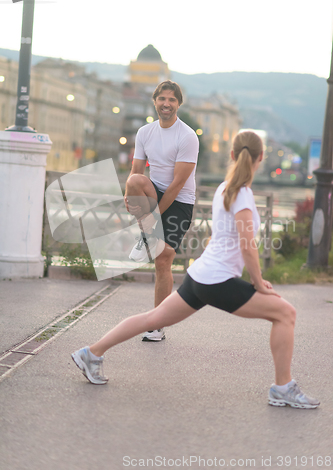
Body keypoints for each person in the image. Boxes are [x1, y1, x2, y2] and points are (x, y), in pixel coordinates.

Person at [71, 130, 320, 409]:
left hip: (200, 276)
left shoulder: (224, 189)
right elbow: (248, 245)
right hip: (217, 281)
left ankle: (91, 353)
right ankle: (283, 388)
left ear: (232, 155)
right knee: (286, 313)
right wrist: (258, 282)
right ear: (261, 157)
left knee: (153, 318)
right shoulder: (243, 195)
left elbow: (220, 237)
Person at [124, 80, 199, 342]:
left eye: (172, 100)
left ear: (178, 104)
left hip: (180, 201)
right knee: (134, 182)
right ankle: (145, 236)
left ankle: (157, 324)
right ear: (155, 101)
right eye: (162, 99)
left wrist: (152, 218)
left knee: (163, 258)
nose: (166, 104)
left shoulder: (187, 136)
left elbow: (178, 185)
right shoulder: (145, 132)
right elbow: (136, 172)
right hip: (154, 191)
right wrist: (128, 195)